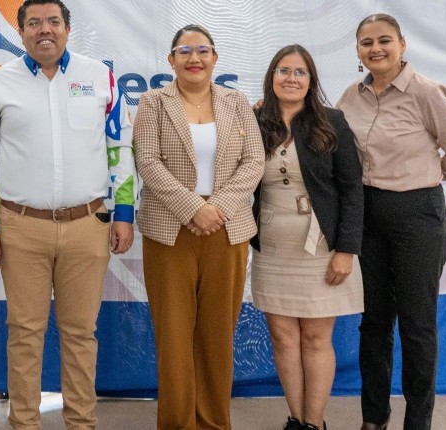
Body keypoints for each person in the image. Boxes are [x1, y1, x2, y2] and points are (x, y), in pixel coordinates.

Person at [0, 0, 136, 428]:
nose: (45, 29)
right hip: (21, 228)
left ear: (67, 29)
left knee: (81, 334)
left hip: (87, 226)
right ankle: (24, 423)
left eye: (53, 21)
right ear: (21, 32)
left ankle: (81, 423)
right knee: (24, 333)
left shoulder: (99, 77)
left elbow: (119, 147)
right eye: (35, 23)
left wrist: (124, 212)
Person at [336, 13, 446, 430]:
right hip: (367, 214)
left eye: (384, 40)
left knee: (417, 324)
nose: (375, 48)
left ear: (402, 44)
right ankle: (374, 418)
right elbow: (331, 142)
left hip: (417, 215)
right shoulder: (351, 95)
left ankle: (418, 422)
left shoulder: (426, 92)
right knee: (374, 323)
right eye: (366, 42)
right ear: (358, 51)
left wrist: (429, 177)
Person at [133, 24, 264, 430]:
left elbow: (254, 161)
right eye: (185, 51)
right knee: (173, 338)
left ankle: (213, 423)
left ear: (215, 58)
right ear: (171, 60)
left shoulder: (236, 102)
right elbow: (147, 161)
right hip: (169, 232)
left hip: (226, 230)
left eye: (203, 50)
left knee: (216, 336)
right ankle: (177, 424)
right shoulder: (153, 102)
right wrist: (192, 208)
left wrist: (216, 208)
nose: (194, 58)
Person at [251, 45, 364, 430]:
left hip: (321, 243)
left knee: (316, 337)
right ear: (272, 77)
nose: (291, 78)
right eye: (283, 70)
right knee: (283, 337)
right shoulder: (254, 121)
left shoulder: (331, 121)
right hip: (272, 244)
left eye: (300, 72)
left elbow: (352, 189)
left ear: (311, 80)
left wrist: (346, 249)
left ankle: (314, 423)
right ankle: (296, 420)